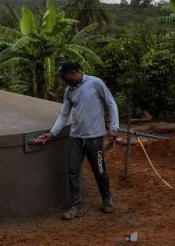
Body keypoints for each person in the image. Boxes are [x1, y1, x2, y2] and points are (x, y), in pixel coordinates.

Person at [32, 60, 119, 220]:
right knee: (73, 171)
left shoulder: (95, 83)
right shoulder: (69, 91)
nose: (62, 81)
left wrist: (114, 127)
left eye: (63, 77)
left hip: (94, 138)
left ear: (73, 73)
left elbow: (111, 103)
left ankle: (107, 199)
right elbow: (64, 114)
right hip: (76, 138)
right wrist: (52, 133)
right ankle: (76, 206)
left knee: (99, 170)